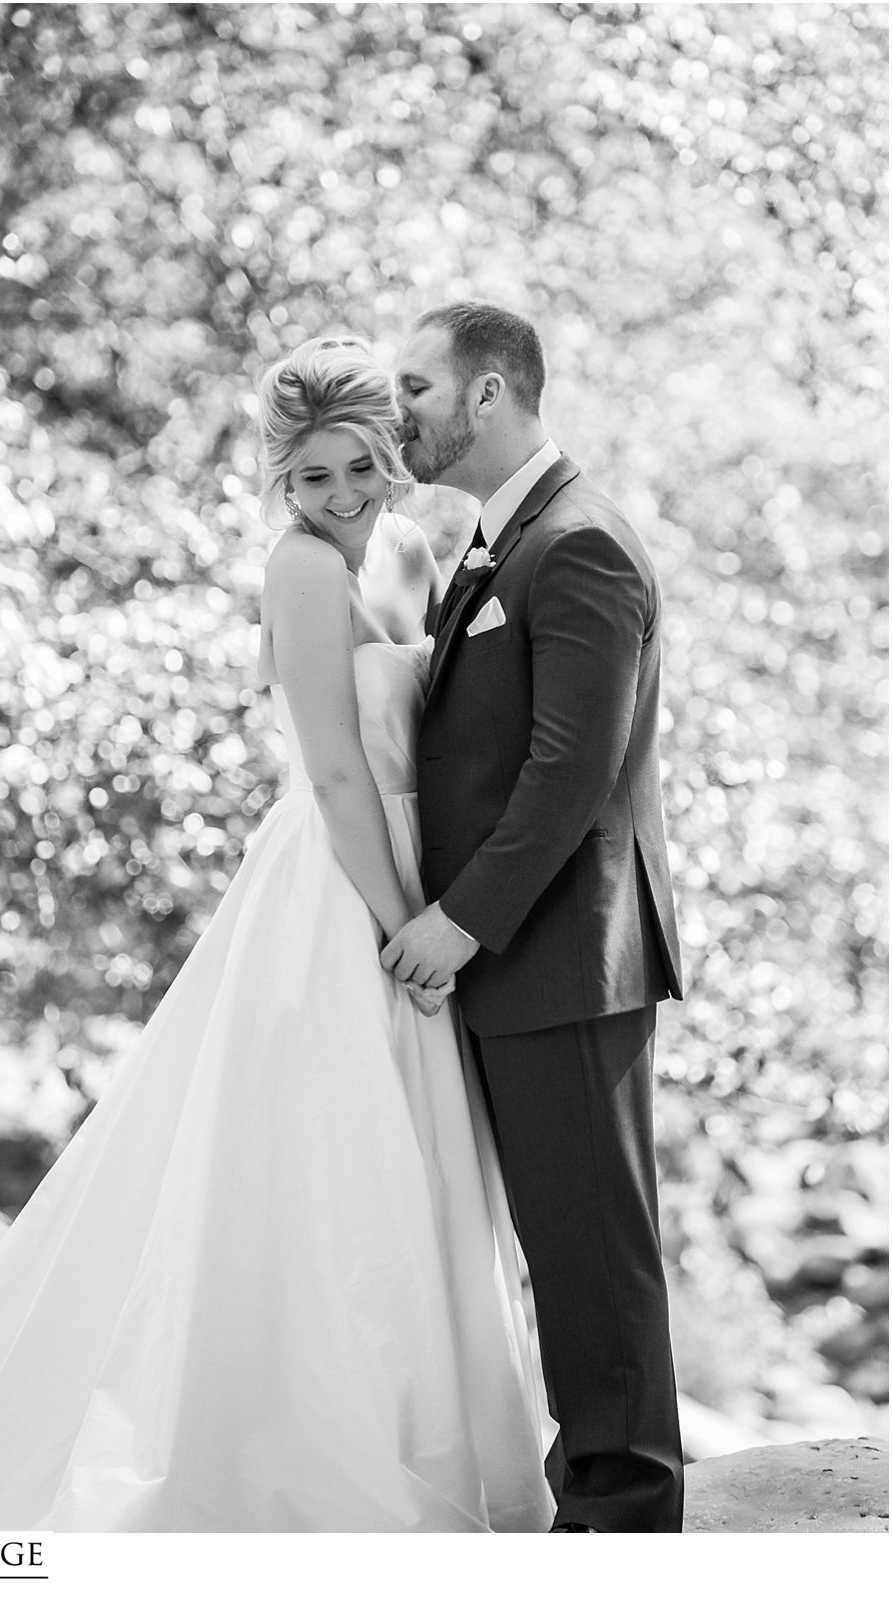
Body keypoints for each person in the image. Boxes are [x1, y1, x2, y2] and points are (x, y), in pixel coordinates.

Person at [0, 337, 557, 1532]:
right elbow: (338, 775)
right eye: (310, 477)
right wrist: (408, 932)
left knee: (424, 1162)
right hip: (340, 890)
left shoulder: (411, 543)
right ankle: (299, 1445)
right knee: (329, 1156)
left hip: (419, 874)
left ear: (391, 458)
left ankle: (439, 1430)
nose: (337, 496)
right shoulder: (297, 572)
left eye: (356, 468)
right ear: (278, 480)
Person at [385, 302, 685, 1532]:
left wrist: (458, 921)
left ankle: (621, 1522)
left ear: (490, 393)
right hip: (523, 966)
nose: (396, 410)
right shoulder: (492, 545)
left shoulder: (578, 547)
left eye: (415, 387)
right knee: (549, 1257)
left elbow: (571, 769)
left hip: (563, 957)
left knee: (592, 1263)